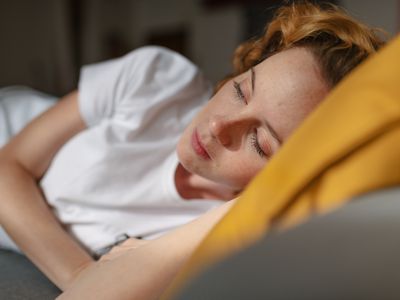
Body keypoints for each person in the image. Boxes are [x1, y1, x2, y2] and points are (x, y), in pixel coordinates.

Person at [0, 1, 385, 298]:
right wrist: (84, 276)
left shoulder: (218, 236)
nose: (218, 127)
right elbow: (8, 167)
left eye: (258, 141)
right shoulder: (156, 82)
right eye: (239, 90)